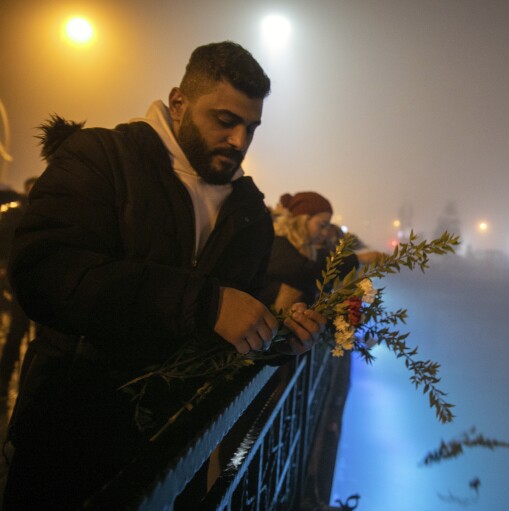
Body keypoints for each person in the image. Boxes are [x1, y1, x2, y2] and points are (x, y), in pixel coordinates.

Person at [2, 41, 325, 511]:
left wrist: (278, 334)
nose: (240, 141)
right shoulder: (100, 157)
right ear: (179, 103)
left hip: (183, 453)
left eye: (251, 128)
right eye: (225, 120)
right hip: (67, 441)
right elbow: (44, 272)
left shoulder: (250, 213)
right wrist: (206, 304)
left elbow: (235, 327)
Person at [258, 192, 359, 313]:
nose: (325, 233)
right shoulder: (277, 243)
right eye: (322, 225)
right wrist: (357, 258)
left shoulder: (308, 250)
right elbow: (308, 273)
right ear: (304, 219)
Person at [0, 177, 36, 404]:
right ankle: (4, 383)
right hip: (22, 283)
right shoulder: (15, 216)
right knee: (17, 332)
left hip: (38, 283)